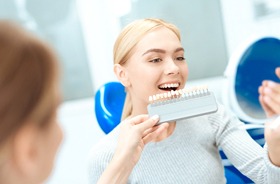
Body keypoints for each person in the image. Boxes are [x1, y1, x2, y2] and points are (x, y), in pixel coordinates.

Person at [88, 18, 280, 183]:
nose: (174, 68)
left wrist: (276, 142)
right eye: (155, 59)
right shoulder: (105, 155)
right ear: (122, 74)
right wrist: (123, 161)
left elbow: (267, 177)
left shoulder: (211, 115)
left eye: (179, 57)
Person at [0, 20, 168, 184]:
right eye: (54, 115)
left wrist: (123, 162)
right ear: (28, 150)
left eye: (180, 57)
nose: (61, 134)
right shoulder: (103, 155)